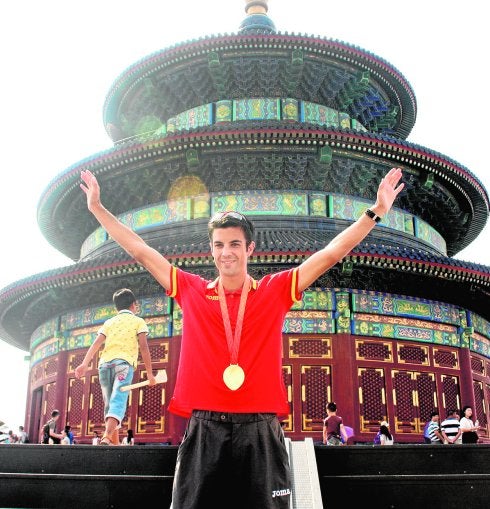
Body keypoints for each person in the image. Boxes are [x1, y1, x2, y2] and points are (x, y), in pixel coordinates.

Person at [79, 166, 404, 508]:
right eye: (219, 245)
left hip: (261, 428)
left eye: (235, 244)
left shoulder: (274, 291)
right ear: (211, 250)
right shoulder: (191, 290)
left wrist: (376, 211)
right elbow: (141, 251)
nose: (226, 252)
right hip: (205, 426)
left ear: (250, 249)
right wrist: (98, 209)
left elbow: (330, 254)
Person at [75, 288, 156, 446]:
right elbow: (144, 348)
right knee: (118, 399)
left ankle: (115, 443)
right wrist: (150, 374)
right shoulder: (138, 321)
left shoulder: (109, 322)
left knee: (110, 403)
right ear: (134, 305)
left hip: (104, 365)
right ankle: (106, 437)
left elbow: (96, 343)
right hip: (123, 364)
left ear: (116, 308)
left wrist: (84, 364)